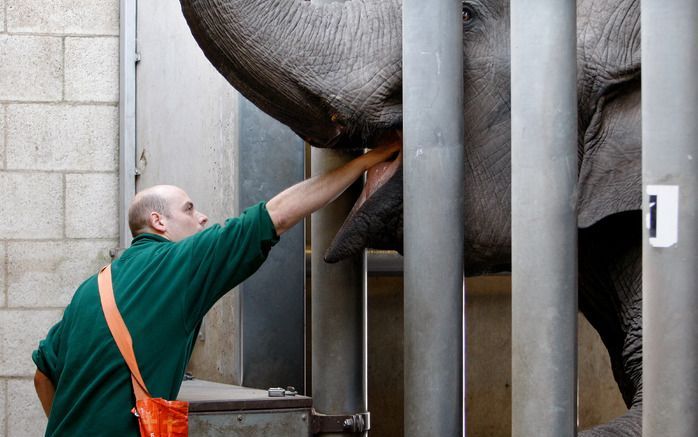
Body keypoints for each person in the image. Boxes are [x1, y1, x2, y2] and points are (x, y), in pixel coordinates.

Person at [32, 142, 400, 436]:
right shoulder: (180, 265)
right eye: (190, 209)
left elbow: (43, 374)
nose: (202, 217)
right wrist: (365, 161)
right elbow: (279, 215)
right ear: (158, 221)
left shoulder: (90, 288)